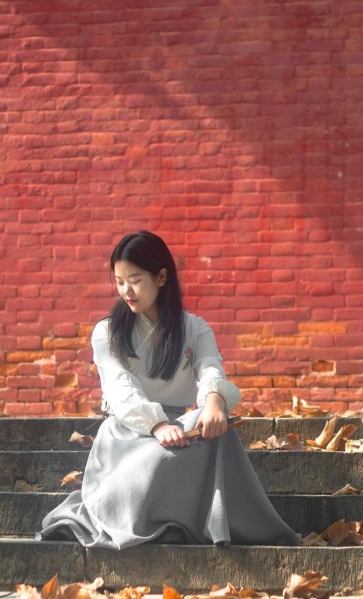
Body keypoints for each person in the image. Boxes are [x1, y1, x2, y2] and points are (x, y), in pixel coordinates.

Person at [37, 231, 300, 548]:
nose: (126, 291)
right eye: (119, 281)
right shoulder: (106, 331)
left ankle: (203, 523)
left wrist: (216, 405)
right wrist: (157, 425)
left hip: (181, 428)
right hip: (128, 433)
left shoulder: (194, 328)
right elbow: (120, 387)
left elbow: (209, 368)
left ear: (161, 277)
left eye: (134, 280)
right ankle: (164, 519)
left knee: (216, 428)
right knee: (166, 456)